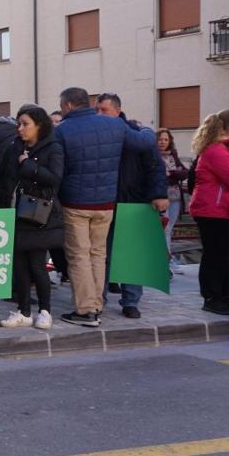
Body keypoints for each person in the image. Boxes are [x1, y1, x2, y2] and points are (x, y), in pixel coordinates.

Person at [54, 87, 156, 327]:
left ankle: (85, 311)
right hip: (107, 202)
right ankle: (97, 304)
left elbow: (58, 166)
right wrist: (146, 128)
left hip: (75, 203)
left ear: (68, 105)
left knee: (79, 255)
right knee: (98, 254)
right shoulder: (116, 125)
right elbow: (145, 142)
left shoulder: (63, 130)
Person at [95, 93, 168, 319]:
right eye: (97, 110)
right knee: (101, 255)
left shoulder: (137, 135)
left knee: (132, 256)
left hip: (134, 202)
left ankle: (131, 302)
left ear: (118, 111)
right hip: (104, 203)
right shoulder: (97, 135)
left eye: (104, 110)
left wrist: (158, 194)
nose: (99, 114)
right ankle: (98, 299)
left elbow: (155, 167)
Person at [0, 106, 63, 330]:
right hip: (16, 212)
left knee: (37, 263)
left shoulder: (53, 148)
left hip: (38, 215)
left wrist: (28, 166)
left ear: (39, 125)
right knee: (19, 265)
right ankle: (24, 311)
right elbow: (4, 176)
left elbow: (54, 178)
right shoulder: (15, 146)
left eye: (25, 124)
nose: (20, 128)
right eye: (19, 123)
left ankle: (45, 311)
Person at [190, 109, 229, 316]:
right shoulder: (216, 150)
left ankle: (226, 293)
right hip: (213, 210)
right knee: (216, 255)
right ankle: (212, 296)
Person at [157, 128, 188, 274]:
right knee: (162, 230)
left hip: (175, 198)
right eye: (160, 139)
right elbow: (159, 177)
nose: (162, 142)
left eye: (165, 139)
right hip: (160, 198)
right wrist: (173, 175)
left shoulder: (173, 156)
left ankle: (167, 261)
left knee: (169, 230)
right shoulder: (153, 156)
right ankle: (164, 263)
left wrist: (173, 173)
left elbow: (185, 172)